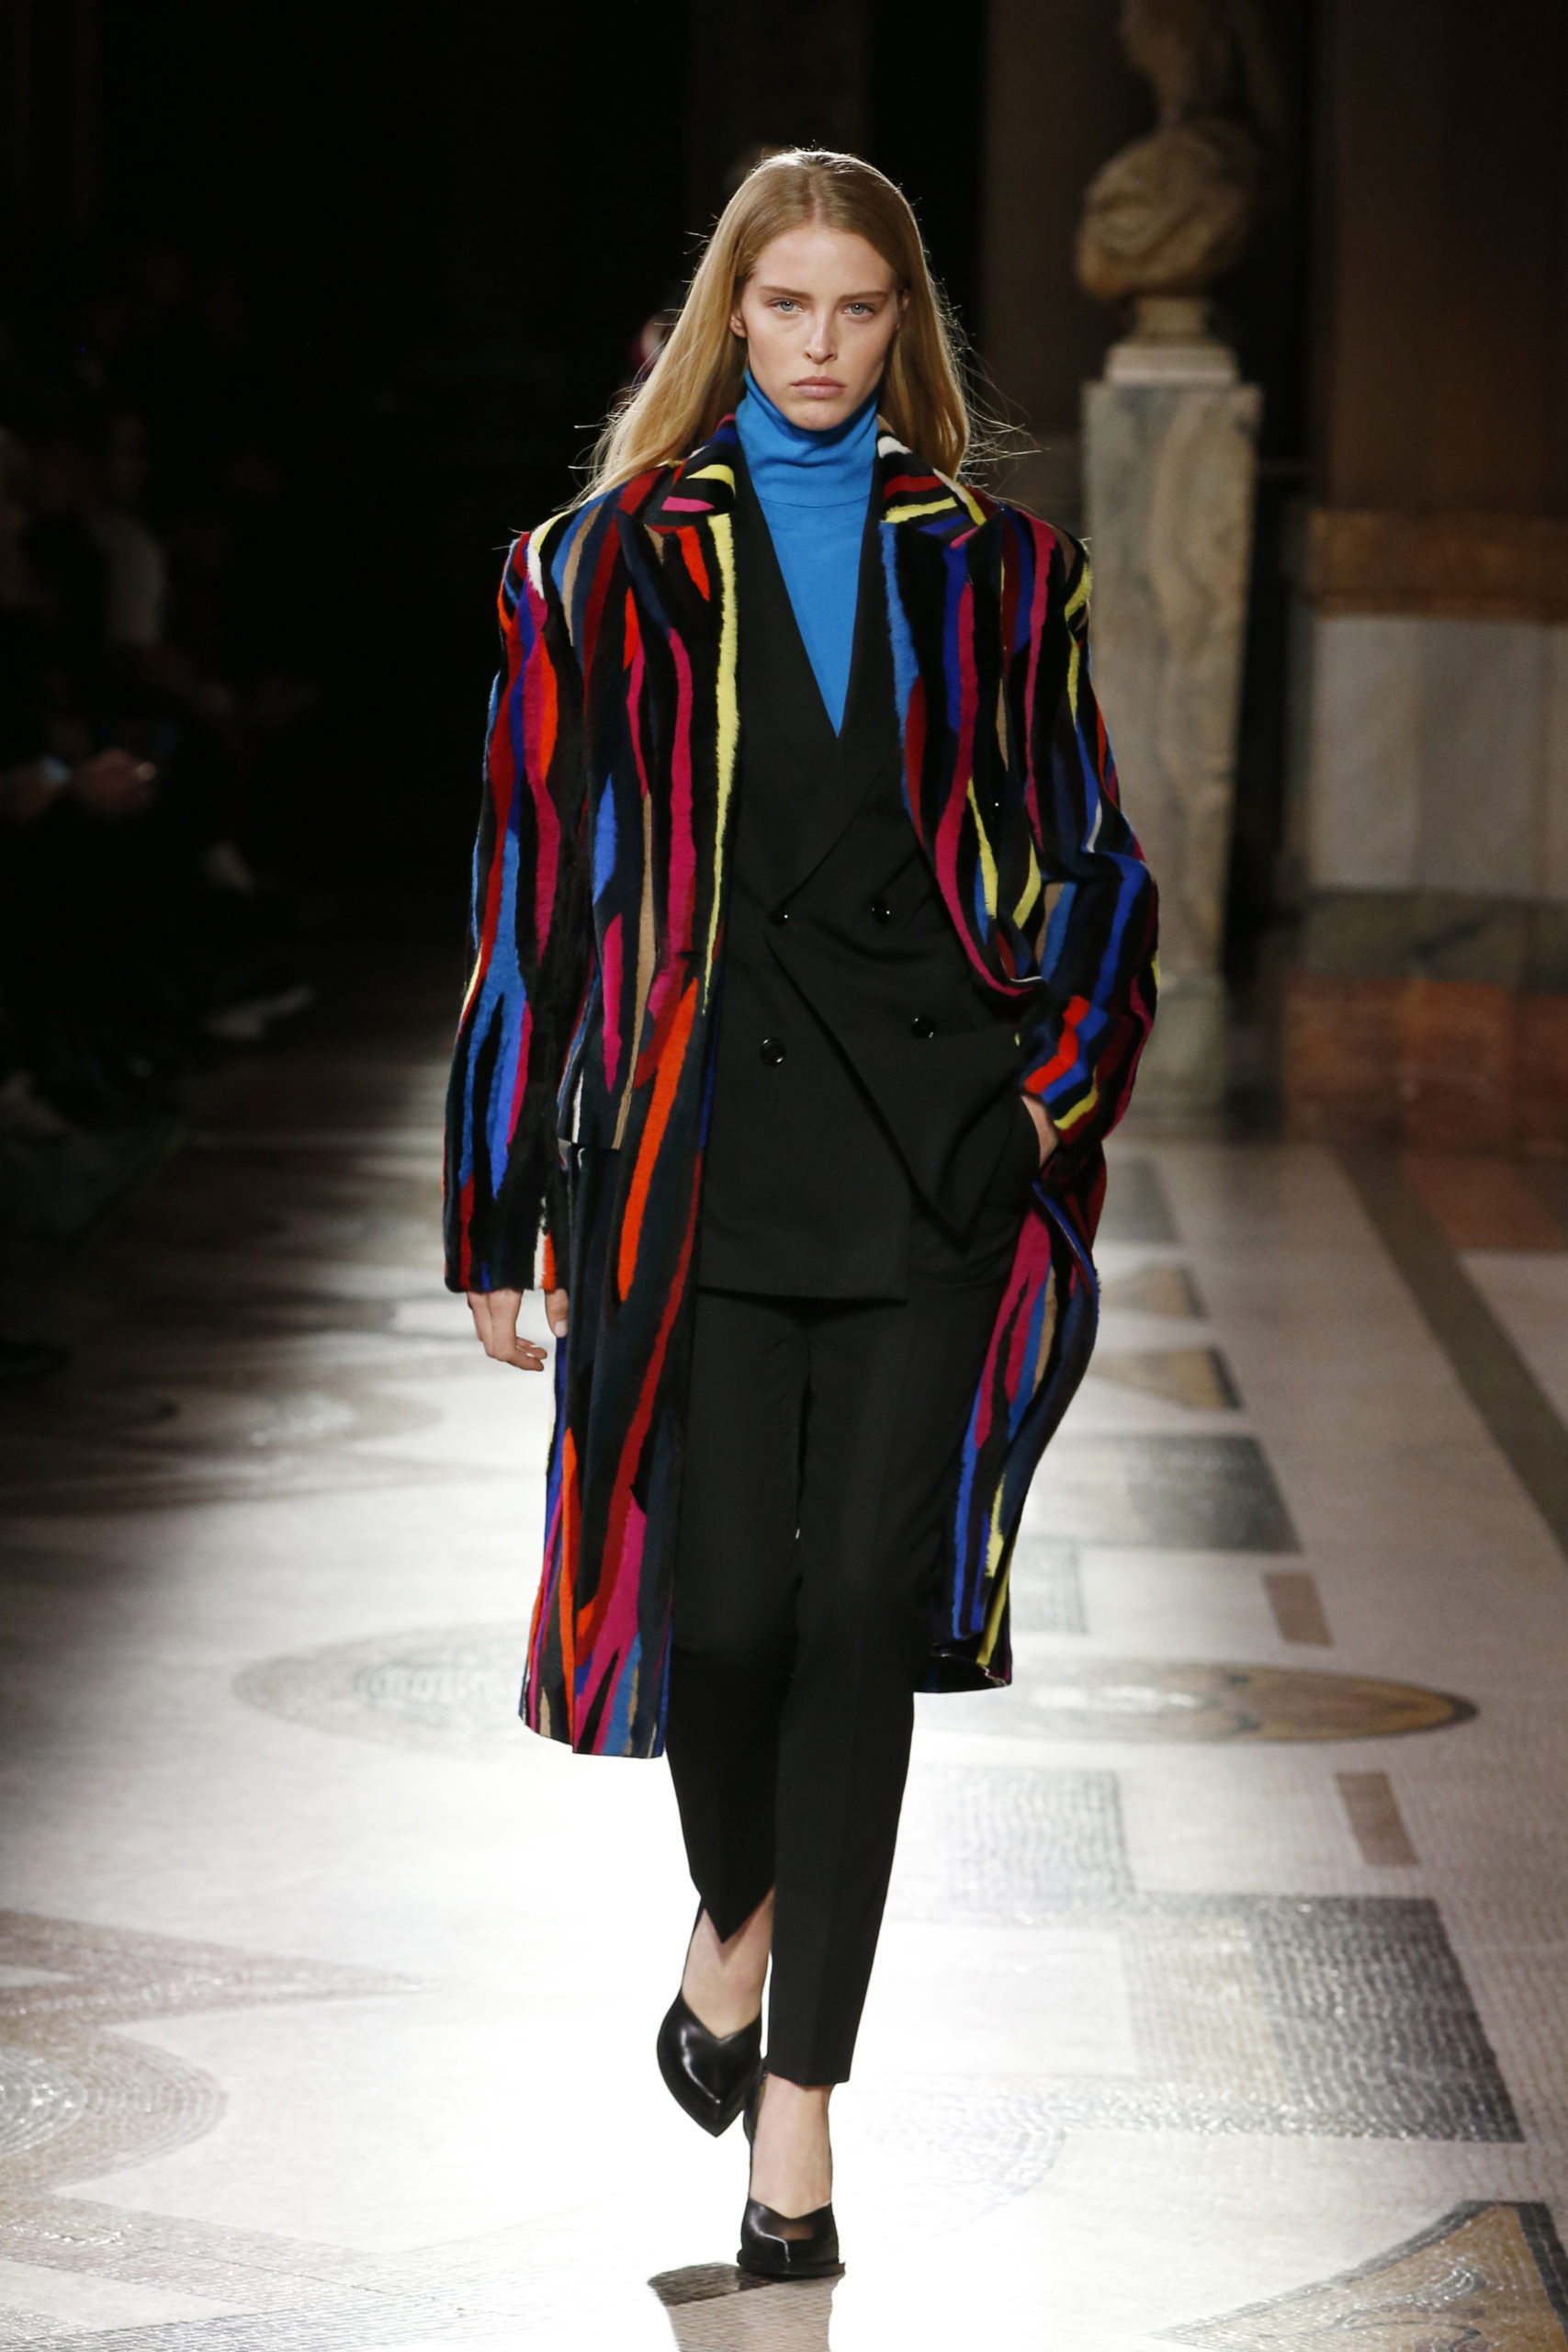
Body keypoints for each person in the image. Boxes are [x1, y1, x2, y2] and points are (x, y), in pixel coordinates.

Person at [445, 149, 1158, 2280]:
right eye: (783, 307)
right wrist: (498, 1195)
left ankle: (798, 2123)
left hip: (930, 1169)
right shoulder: (592, 567)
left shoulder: (1004, 572)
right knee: (727, 1624)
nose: (821, 344)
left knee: (857, 1615)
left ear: (901, 323)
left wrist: (1037, 1109)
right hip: (694, 1169)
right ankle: (736, 1927)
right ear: (728, 321)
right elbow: (528, 892)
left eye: (858, 308)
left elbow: (1097, 871)